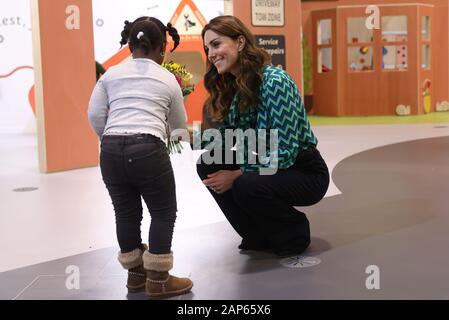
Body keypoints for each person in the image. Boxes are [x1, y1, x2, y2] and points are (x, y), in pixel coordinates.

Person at [196, 15, 330, 257]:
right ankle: (256, 234)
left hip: (303, 170)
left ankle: (295, 233)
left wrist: (237, 174)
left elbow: (285, 152)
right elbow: (226, 137)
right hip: (269, 164)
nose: (211, 54)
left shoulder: (275, 81)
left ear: (239, 42)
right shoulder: (239, 87)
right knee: (209, 162)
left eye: (216, 44)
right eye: (207, 48)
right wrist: (180, 136)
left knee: (247, 184)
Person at [87, 16, 192, 298]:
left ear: (130, 45)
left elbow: (95, 115)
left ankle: (135, 277)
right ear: (162, 49)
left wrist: (111, 137)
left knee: (126, 213)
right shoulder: (167, 78)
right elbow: (179, 127)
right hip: (147, 149)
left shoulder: (109, 75)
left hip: (110, 151)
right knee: (163, 212)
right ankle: (158, 280)